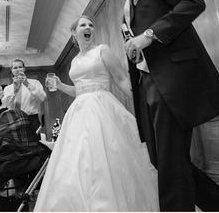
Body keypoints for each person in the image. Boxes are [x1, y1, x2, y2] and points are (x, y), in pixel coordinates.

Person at [92, 0, 219, 211]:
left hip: (171, 81)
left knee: (170, 159)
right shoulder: (126, 6)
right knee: (160, 158)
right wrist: (136, 51)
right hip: (147, 84)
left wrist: (150, 35)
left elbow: (193, 2)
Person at [34, 16, 159, 211]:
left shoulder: (103, 51)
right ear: (74, 33)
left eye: (91, 25)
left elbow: (121, 79)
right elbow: (79, 90)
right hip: (79, 112)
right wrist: (60, 86)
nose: (88, 27)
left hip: (102, 108)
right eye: (83, 25)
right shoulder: (74, 61)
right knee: (79, 161)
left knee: (107, 158)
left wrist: (145, 104)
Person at [2, 59, 46, 132]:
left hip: (31, 119)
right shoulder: (8, 88)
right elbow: (7, 104)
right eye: (15, 68)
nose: (18, 69)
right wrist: (15, 90)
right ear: (12, 70)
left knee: (33, 143)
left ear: (24, 69)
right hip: (13, 120)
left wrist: (27, 84)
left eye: (20, 67)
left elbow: (42, 98)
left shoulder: (35, 83)